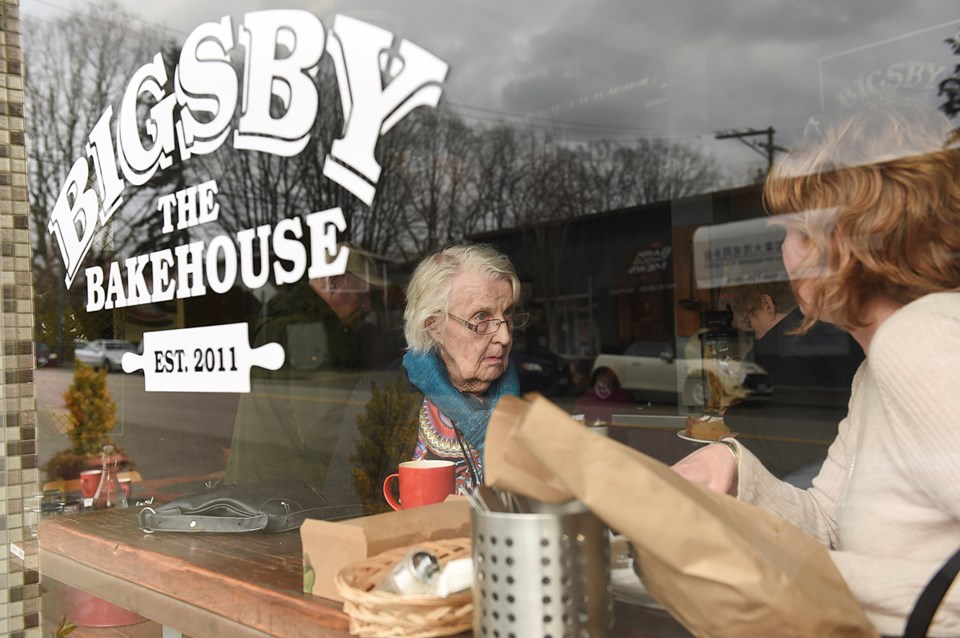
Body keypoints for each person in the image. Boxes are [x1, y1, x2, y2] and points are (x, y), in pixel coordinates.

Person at [671, 100, 960, 636]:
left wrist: (812, 582)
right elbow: (829, 521)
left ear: (855, 235)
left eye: (796, 231)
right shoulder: (873, 372)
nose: (784, 253)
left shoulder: (925, 339)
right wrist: (736, 471)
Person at [321, 244, 525, 508]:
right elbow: (343, 509)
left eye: (507, 314)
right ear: (434, 327)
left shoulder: (529, 394)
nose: (505, 336)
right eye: (481, 317)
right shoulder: (382, 393)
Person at [224, 244, 401, 490]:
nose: (366, 307)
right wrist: (387, 450)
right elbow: (323, 431)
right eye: (363, 296)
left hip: (262, 484)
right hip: (287, 490)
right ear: (334, 282)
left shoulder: (287, 318)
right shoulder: (311, 330)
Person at [722, 277, 864, 482]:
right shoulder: (844, 330)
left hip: (812, 478)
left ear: (767, 304)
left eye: (751, 321)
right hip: (859, 464)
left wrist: (734, 428)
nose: (754, 331)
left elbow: (793, 434)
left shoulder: (775, 347)